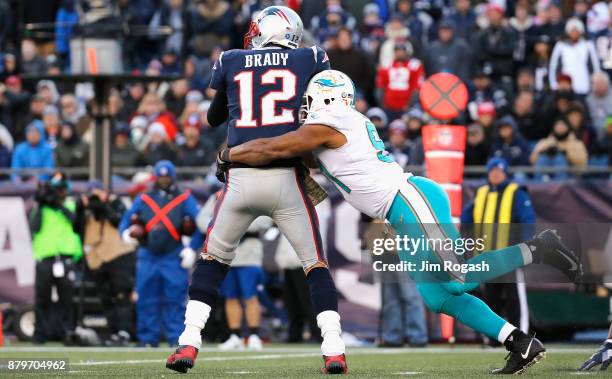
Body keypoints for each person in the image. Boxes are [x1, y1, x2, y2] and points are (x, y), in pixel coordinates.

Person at [222, 69, 583, 374]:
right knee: (438, 295)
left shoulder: (333, 121)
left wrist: (229, 153)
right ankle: (519, 341)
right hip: (400, 210)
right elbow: (290, 155)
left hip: (410, 198)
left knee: (456, 276)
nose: (305, 107)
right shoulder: (331, 130)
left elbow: (275, 148)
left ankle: (540, 248)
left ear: (329, 98)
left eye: (311, 99)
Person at [166, 7, 348, 375]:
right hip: (287, 179)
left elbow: (214, 118)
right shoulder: (310, 57)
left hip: (240, 178)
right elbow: (329, 100)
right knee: (315, 265)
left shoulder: (231, 59)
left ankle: (188, 342)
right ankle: (334, 348)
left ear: (263, 30)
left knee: (212, 261)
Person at [119, 160, 201, 347]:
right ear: (156, 177)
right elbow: (125, 220)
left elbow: (201, 224)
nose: (164, 180)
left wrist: (191, 248)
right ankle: (148, 338)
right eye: (161, 176)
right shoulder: (144, 198)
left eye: (167, 176)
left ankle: (176, 338)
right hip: (148, 254)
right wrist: (125, 234)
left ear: (172, 177)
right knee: (146, 299)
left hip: (173, 255)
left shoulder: (184, 198)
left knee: (175, 299)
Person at [461, 158, 535, 339]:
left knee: (514, 299)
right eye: (492, 171)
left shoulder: (516, 192)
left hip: (509, 257)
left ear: (505, 173)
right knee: (490, 299)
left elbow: (527, 222)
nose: (495, 174)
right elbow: (466, 219)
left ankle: (521, 337)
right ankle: (492, 337)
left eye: (499, 171)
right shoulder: (482, 193)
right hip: (487, 257)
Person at [197, 191, 272, 351]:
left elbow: (265, 220)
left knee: (251, 296)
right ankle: (235, 335)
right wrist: (226, 224)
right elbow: (201, 221)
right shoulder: (218, 195)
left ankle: (254, 335)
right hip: (226, 254)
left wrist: (232, 224)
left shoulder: (255, 194)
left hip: (249, 255)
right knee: (230, 298)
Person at [74, 181, 135, 347]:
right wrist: (81, 208)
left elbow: (119, 221)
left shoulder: (115, 202)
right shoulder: (86, 209)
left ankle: (124, 332)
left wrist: (102, 205)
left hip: (119, 255)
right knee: (105, 298)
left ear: (105, 192)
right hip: (97, 259)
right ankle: (113, 332)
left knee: (122, 295)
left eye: (98, 193)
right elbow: (76, 229)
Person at [30, 172, 82, 344]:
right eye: (56, 190)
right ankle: (40, 333)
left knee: (66, 298)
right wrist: (41, 203)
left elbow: (76, 223)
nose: (59, 193)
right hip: (45, 257)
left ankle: (66, 332)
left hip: (65, 258)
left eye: (61, 190)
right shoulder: (41, 208)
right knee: (42, 298)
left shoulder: (71, 205)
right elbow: (34, 227)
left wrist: (58, 205)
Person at [549, 18, 600, 96]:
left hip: (585, 85)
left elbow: (595, 66)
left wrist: (595, 84)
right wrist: (554, 84)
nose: (574, 33)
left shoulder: (588, 45)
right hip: (565, 86)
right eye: (572, 30)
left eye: (577, 30)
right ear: (568, 32)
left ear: (581, 31)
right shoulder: (560, 46)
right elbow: (553, 66)